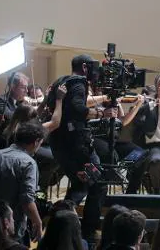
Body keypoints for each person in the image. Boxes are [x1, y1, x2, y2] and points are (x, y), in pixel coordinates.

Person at [49, 54, 111, 244]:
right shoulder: (79, 82)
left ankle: (61, 230)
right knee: (98, 182)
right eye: (92, 67)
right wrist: (101, 112)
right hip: (77, 146)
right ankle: (88, 231)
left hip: (60, 144)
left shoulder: (61, 80)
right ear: (85, 67)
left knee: (79, 185)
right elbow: (77, 108)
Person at [0, 122, 45, 243]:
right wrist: (38, 222)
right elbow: (27, 201)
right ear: (36, 141)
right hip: (10, 231)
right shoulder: (28, 163)